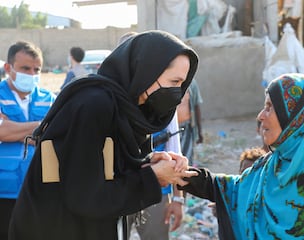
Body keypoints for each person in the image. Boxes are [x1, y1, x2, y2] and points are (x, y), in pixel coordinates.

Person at [8, 30, 199, 240]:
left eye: (182, 84)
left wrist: (146, 162)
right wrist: (153, 178)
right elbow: (85, 195)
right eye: (174, 82)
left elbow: (107, 166)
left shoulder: (129, 109)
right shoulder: (94, 105)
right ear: (146, 71)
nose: (179, 94)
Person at [179, 73, 304, 239]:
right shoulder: (268, 168)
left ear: (295, 119)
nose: (260, 116)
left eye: (269, 107)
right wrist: (180, 172)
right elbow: (233, 190)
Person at [0, 41, 56, 240]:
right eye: (25, 68)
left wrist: (10, 128)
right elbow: (1, 132)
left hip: (40, 192)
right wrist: (41, 128)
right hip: (4, 193)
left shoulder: (50, 98)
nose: (32, 74)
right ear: (8, 68)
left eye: (36, 69)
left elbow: (58, 133)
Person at [128, 114, 185, 240]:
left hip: (156, 193)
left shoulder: (166, 103)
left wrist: (177, 199)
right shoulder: (110, 100)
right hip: (117, 190)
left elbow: (175, 155)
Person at [177, 79, 203, 166]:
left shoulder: (191, 83)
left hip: (186, 128)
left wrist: (200, 131)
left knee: (186, 159)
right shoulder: (167, 80)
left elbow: (196, 106)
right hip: (170, 131)